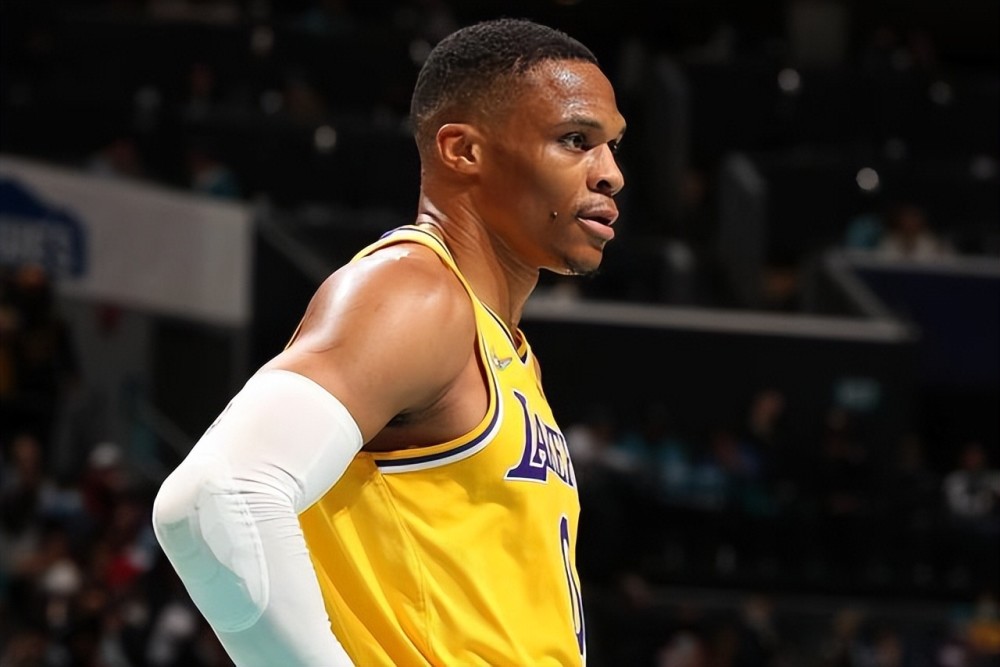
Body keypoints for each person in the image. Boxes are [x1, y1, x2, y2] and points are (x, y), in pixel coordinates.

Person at [151, 17, 626, 667]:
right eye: (576, 140)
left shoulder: (503, 348)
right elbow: (215, 498)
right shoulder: (416, 293)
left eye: (612, 146)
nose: (611, 174)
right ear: (462, 150)